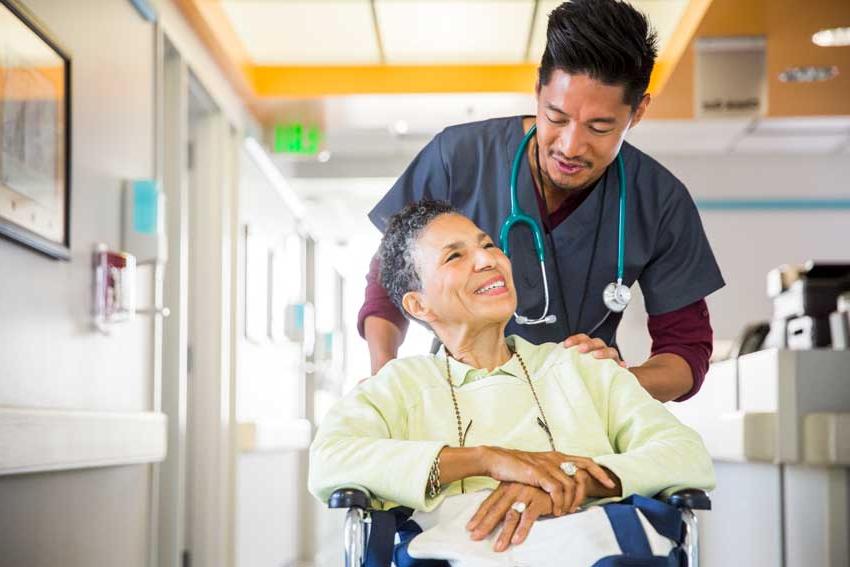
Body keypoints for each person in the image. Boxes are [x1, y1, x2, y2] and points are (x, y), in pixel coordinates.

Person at [358, 0, 725, 403]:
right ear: (538, 90)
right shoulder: (458, 159)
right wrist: (384, 374)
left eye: (599, 127)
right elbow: (389, 276)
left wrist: (613, 385)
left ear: (638, 111)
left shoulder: (659, 201)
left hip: (586, 418)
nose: (570, 146)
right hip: (461, 403)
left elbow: (687, 351)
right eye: (557, 117)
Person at [310, 201, 714, 560]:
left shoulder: (581, 367)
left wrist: (571, 480)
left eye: (488, 245)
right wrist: (490, 459)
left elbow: (685, 452)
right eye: (454, 257)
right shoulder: (402, 384)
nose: (487, 261)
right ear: (419, 305)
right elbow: (329, 459)